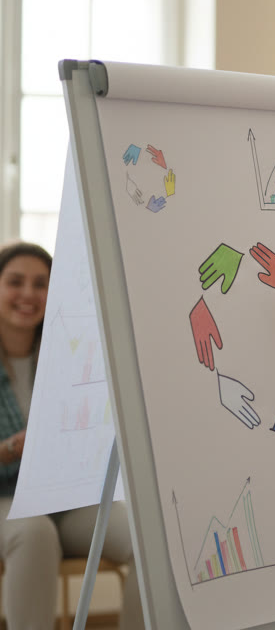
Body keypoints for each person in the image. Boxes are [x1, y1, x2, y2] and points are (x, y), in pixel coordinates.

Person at [0, 241, 144, 630]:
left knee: (144, 535)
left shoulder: (70, 355)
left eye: (41, 284)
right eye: (16, 282)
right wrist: (13, 448)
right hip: (7, 501)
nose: (29, 293)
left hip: (65, 500)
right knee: (34, 532)